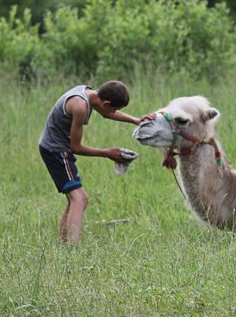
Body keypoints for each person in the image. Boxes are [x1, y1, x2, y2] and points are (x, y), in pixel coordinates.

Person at [39, 80, 153, 243]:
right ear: (106, 102)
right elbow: (76, 147)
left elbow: (107, 112)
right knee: (80, 199)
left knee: (74, 199)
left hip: (55, 148)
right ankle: (72, 248)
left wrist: (136, 120)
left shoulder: (89, 93)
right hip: (56, 151)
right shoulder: (80, 107)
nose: (114, 112)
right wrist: (107, 153)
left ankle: (63, 242)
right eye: (114, 109)